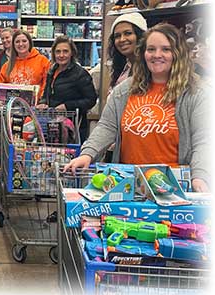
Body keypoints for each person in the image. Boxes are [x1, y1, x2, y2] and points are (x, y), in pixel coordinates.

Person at [64, 23, 210, 193]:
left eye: (165, 49)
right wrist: (87, 154)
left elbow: (204, 140)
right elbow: (107, 126)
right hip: (129, 185)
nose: (157, 55)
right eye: (151, 49)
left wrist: (200, 176)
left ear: (178, 53)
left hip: (174, 187)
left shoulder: (196, 93)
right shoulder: (126, 90)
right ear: (143, 53)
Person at [38, 35, 97, 141]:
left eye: (65, 51)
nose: (61, 55)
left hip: (73, 128)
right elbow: (47, 92)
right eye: (58, 51)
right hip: (52, 124)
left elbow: (91, 100)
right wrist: (43, 102)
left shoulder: (80, 74)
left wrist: (67, 106)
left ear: (72, 53)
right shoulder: (52, 71)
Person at [0, 29, 51, 101]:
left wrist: (41, 101)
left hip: (36, 107)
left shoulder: (43, 61)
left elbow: (46, 85)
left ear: (29, 42)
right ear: (13, 45)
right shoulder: (7, 66)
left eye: (24, 41)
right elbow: (0, 89)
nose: (21, 44)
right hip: (13, 108)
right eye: (17, 42)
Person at [107, 12, 148, 94]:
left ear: (140, 36)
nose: (122, 39)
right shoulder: (124, 66)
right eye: (117, 36)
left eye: (128, 33)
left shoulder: (150, 68)